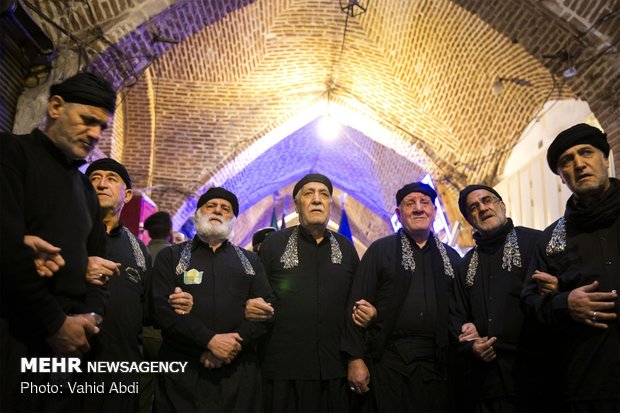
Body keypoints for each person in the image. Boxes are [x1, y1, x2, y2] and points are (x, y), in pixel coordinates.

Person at [0, 72, 117, 411]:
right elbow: (7, 248)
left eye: (101, 127)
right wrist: (55, 323)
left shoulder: (84, 190)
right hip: (15, 331)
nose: (95, 134)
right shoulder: (13, 154)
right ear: (55, 106)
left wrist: (91, 317)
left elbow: (100, 265)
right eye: (87, 120)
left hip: (69, 342)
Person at [521, 123, 619, 412]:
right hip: (591, 380)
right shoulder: (553, 238)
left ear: (605, 158)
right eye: (567, 161)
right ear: (562, 177)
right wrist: (565, 302)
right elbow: (530, 300)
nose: (578, 164)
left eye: (586, 152)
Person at [342, 182, 461, 412]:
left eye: (425, 203)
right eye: (410, 203)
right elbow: (355, 306)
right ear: (399, 213)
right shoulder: (380, 251)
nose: (418, 208)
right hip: (390, 363)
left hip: (438, 367)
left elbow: (461, 308)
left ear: (434, 211)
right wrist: (354, 359)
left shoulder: (452, 258)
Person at [151, 187, 273, 412]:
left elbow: (265, 312)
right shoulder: (172, 257)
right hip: (183, 373)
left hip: (237, 374)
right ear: (198, 214)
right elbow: (161, 311)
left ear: (233, 219)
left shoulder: (250, 262)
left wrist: (233, 345)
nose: (217, 211)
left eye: (225, 209)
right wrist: (209, 341)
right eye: (211, 206)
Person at [246, 173, 360, 412]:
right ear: (297, 205)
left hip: (333, 369)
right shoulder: (274, 245)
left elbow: (354, 307)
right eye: (309, 194)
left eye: (324, 195)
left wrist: (355, 357)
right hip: (283, 370)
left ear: (330, 204)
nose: (317, 200)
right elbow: (255, 296)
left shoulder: (347, 250)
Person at [451, 184, 560, 412]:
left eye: (487, 200)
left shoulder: (536, 242)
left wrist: (558, 289)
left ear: (501, 205)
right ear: (470, 220)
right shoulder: (465, 265)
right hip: (489, 384)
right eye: (473, 207)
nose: (482, 208)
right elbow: (457, 316)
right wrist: (470, 344)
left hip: (538, 375)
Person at [141, 210, 173, 413]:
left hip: (140, 332)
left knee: (142, 389)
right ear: (170, 231)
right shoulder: (177, 256)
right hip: (165, 335)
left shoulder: (140, 253)